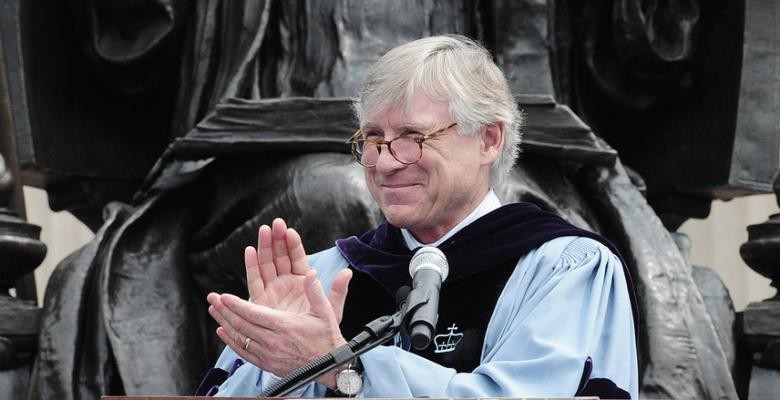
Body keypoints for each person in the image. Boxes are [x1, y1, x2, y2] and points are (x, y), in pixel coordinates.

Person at [199, 35, 638, 398]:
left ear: (488, 139)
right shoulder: (321, 277)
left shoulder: (566, 271)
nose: (385, 163)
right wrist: (275, 367)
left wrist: (343, 368)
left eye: (413, 137)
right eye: (373, 138)